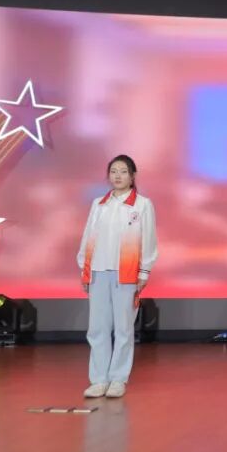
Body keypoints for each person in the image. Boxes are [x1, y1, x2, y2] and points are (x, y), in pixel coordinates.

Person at [77, 155, 158, 399]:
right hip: (98, 270)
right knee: (97, 328)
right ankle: (99, 380)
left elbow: (149, 239)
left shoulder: (142, 205)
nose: (118, 176)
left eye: (123, 171)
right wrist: (84, 267)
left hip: (127, 273)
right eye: (113, 171)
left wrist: (144, 271)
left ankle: (118, 379)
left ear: (132, 176)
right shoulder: (99, 204)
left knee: (123, 328)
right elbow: (88, 236)